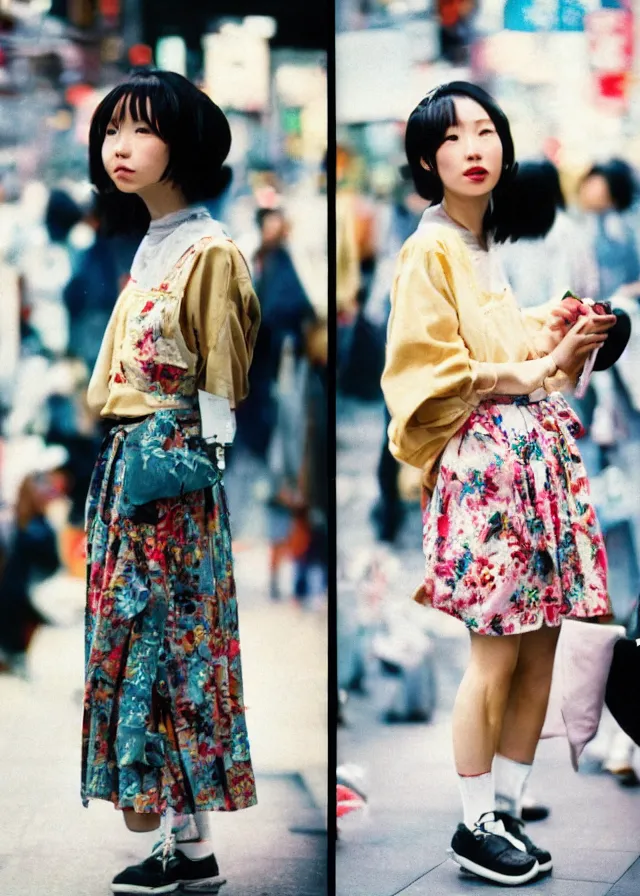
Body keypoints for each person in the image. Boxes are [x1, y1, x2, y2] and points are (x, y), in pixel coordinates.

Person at [381, 81, 616, 887]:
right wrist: (536, 363)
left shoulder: (478, 246)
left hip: (529, 463)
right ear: (425, 159)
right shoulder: (429, 249)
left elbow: (502, 345)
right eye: (451, 138)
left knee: (540, 644)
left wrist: (555, 328)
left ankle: (507, 810)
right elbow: (428, 374)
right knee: (495, 651)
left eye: (486, 132)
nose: (473, 148)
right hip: (484, 472)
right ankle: (473, 818)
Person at [82, 69, 260, 895]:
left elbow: (222, 384)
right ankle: (189, 852)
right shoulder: (156, 241)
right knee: (145, 650)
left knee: (171, 650)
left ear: (182, 145)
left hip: (170, 481)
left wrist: (196, 472)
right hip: (131, 472)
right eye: (113, 129)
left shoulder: (211, 248)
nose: (121, 145)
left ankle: (184, 848)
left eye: (142, 130)